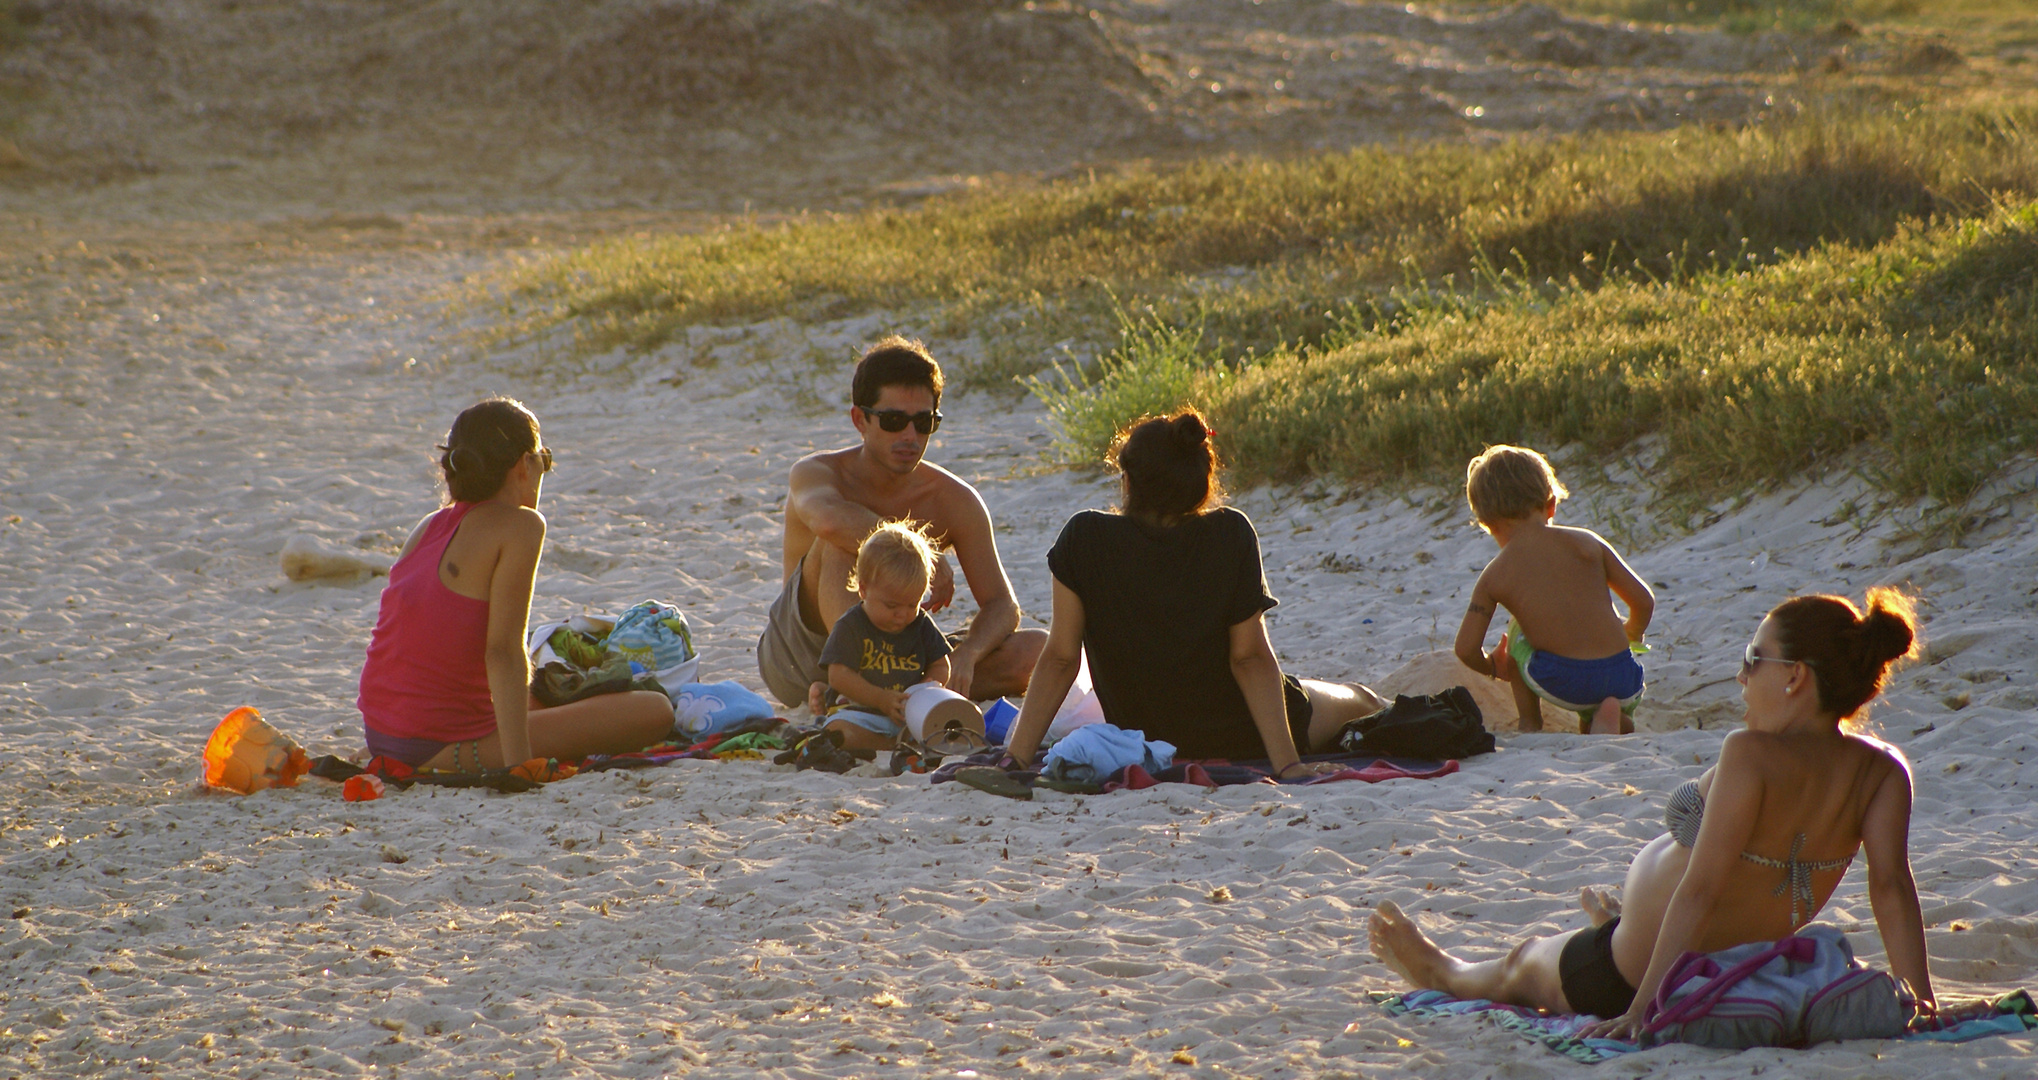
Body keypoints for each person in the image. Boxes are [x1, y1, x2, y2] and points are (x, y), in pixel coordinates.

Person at [1370, 588, 1935, 1035]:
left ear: (1795, 675)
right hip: (1732, 960)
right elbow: (1890, 887)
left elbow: (1701, 888)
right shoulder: (1882, 770)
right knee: (1609, 927)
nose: (1741, 678)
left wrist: (1642, 1010)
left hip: (1631, 973)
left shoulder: (1750, 754)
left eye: (1751, 659)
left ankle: (1440, 970)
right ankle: (1619, 921)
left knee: (1520, 964)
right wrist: (1922, 998)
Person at [1002, 410, 1388, 779]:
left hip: (1149, 740)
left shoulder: (1083, 537)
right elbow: (1249, 659)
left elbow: (1060, 659)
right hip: (1242, 733)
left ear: (1128, 481)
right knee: (1363, 700)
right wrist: (1287, 765)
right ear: (1201, 483)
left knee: (1353, 701)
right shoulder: (1230, 533)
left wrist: (1015, 760)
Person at [357, 398, 674, 770]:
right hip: (436, 744)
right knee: (655, 710)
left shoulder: (430, 525)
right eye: (545, 458)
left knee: (547, 695)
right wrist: (520, 766)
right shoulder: (522, 525)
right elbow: (503, 652)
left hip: (382, 730)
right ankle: (480, 752)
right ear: (525, 465)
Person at [758, 336, 1044, 709]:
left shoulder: (953, 499)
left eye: (923, 422)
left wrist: (967, 655)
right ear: (860, 419)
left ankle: (879, 697)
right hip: (804, 657)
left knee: (1037, 648)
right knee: (846, 542)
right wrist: (920, 549)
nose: (909, 436)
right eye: (893, 421)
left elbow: (1003, 606)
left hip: (901, 654)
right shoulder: (817, 473)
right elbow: (828, 521)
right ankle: (854, 688)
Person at [1453, 444, 1654, 734]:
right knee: (1602, 689)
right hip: (1624, 677)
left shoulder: (1495, 575)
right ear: (1551, 505)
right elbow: (1643, 601)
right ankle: (1608, 717)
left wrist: (1493, 667)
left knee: (1516, 635)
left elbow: (1465, 648)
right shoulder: (1588, 543)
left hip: (1565, 681)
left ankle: (1530, 722)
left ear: (1486, 524)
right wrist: (1632, 631)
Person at [814, 521, 954, 751]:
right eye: (891, 605)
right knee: (837, 732)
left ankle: (902, 741)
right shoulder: (851, 626)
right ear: (864, 589)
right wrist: (880, 699)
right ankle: (890, 745)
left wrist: (927, 686)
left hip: (908, 715)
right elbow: (838, 676)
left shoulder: (919, 623)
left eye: (913, 604)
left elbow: (941, 663)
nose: (902, 614)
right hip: (861, 713)